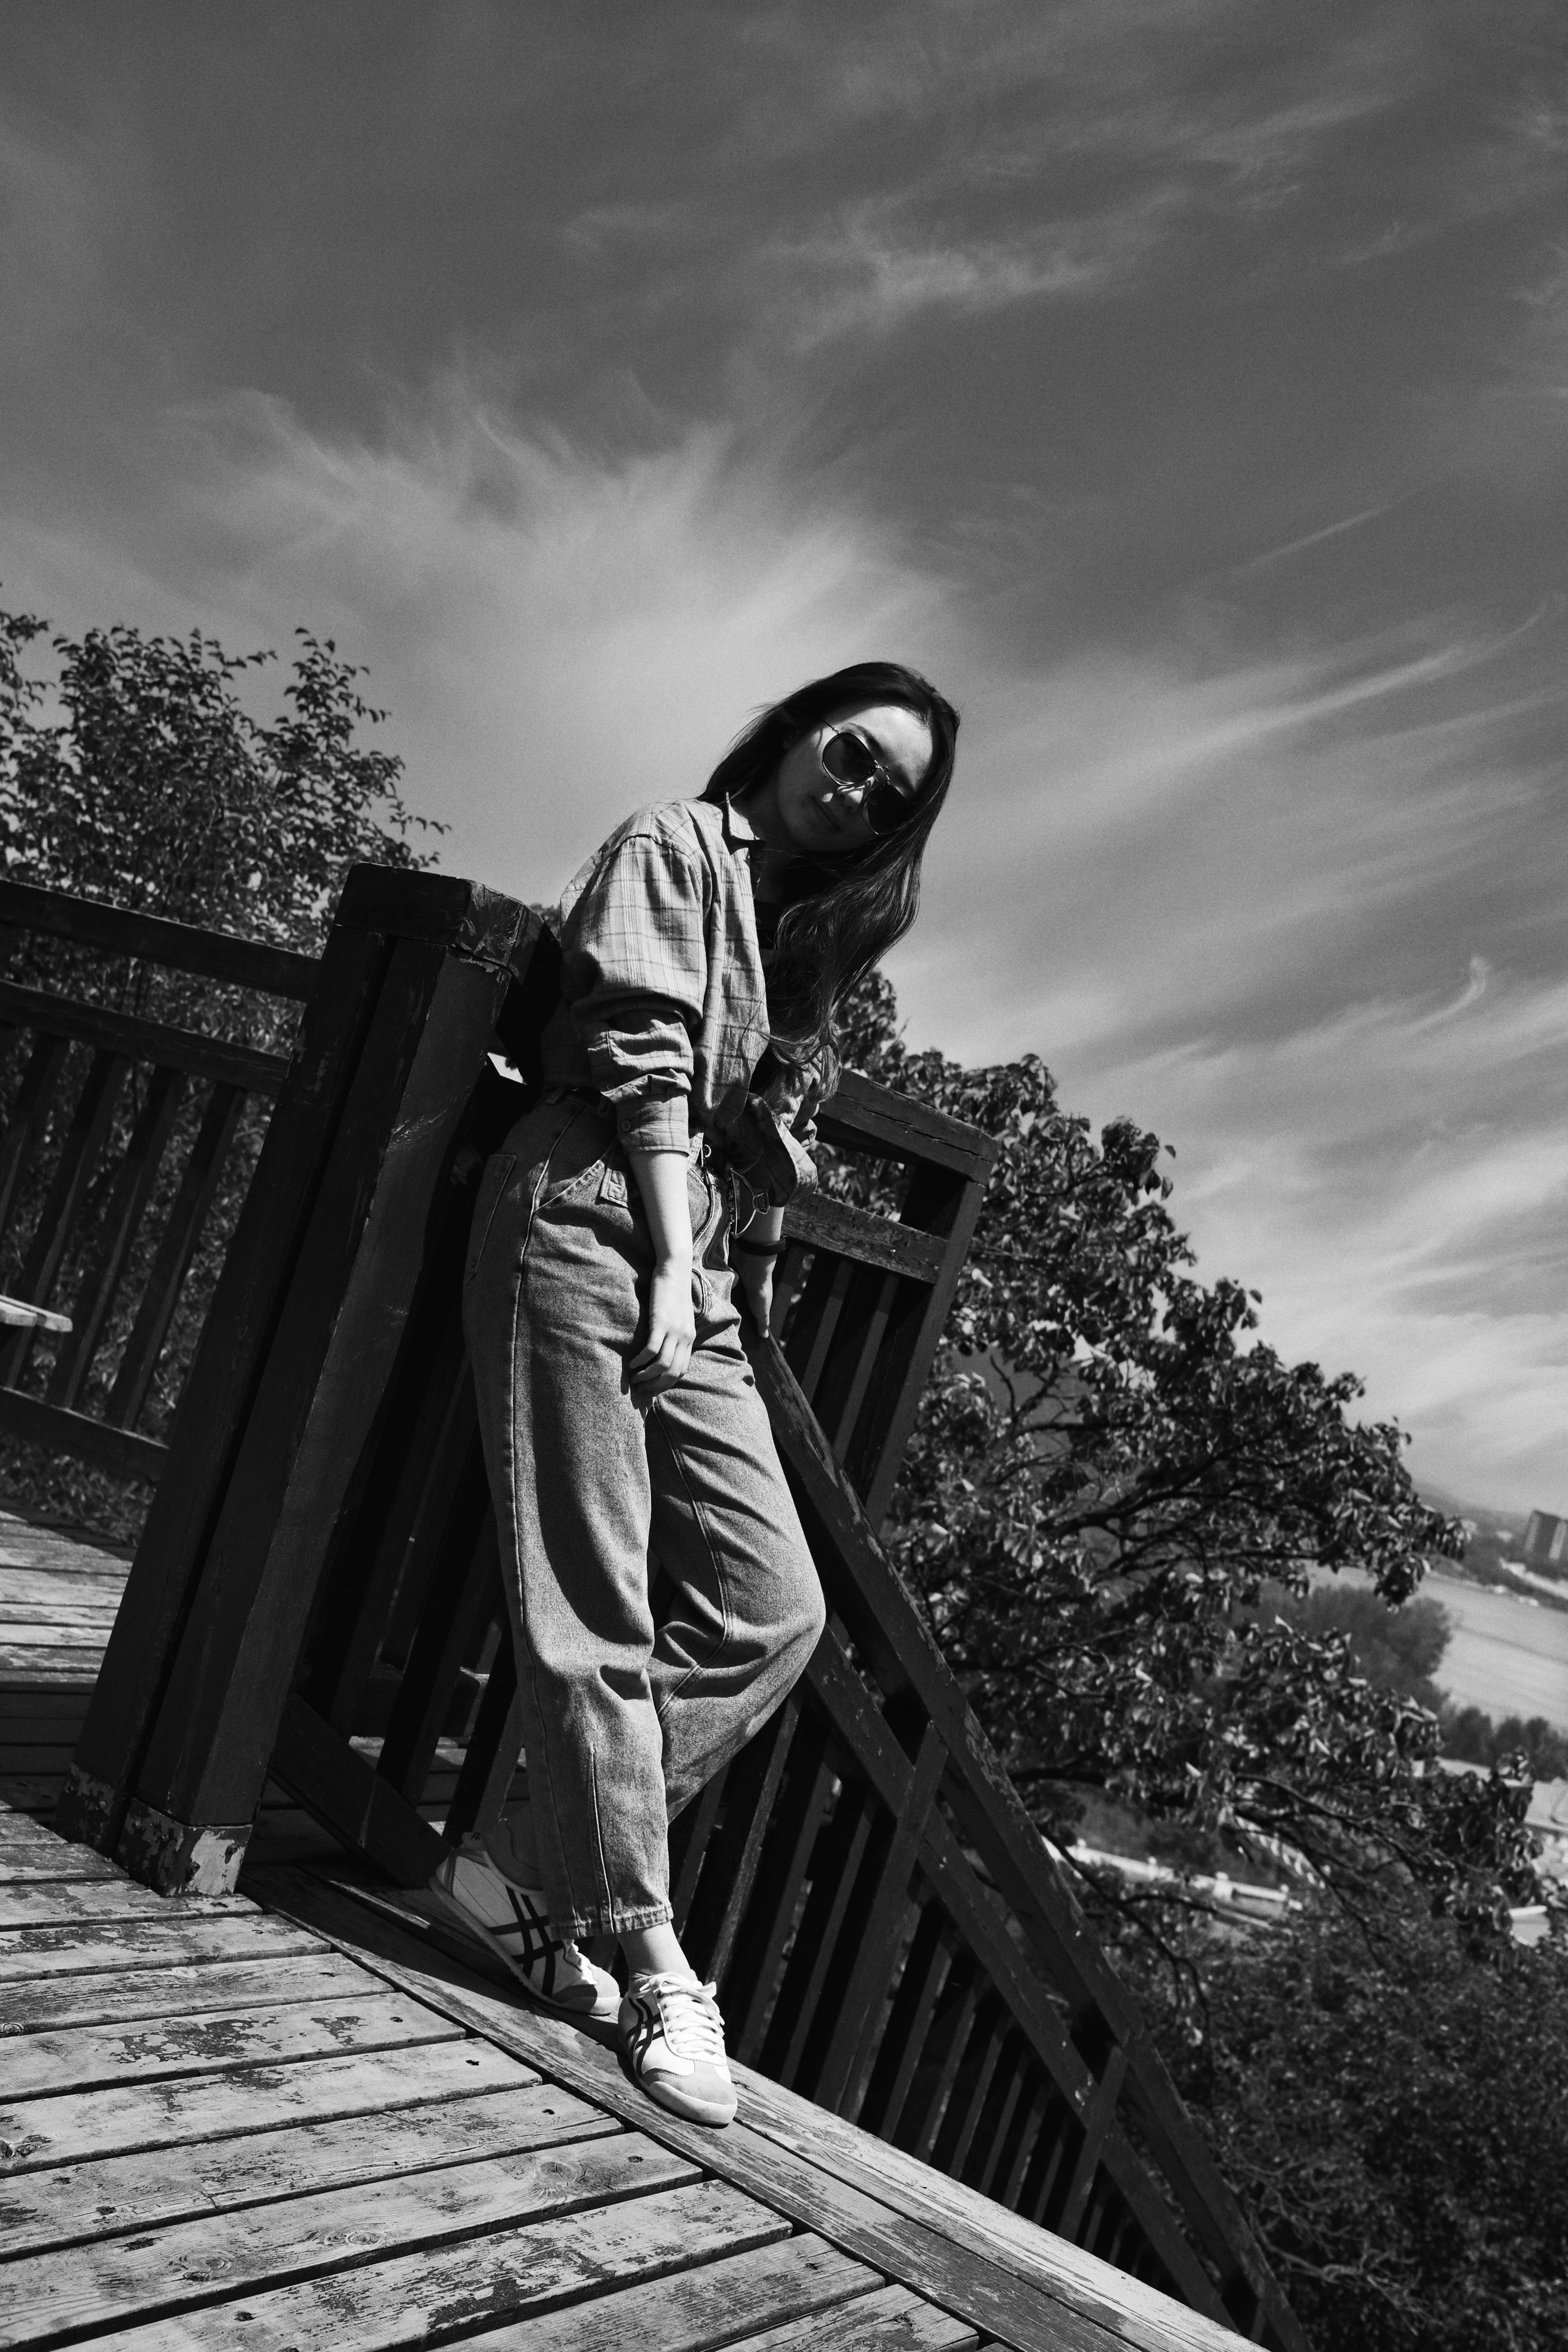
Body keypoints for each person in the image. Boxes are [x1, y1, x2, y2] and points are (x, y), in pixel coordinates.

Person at [433, 661, 959, 2127]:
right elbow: (637, 1058)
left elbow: (747, 1114)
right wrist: (672, 1257)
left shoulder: (799, 938)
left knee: (771, 1610)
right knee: (590, 1603)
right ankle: (657, 1959)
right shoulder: (672, 843)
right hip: (587, 1216)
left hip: (694, 1261)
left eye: (884, 792)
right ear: (795, 732)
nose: (850, 791)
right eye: (847, 754)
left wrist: (727, 1234)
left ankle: (509, 1871)